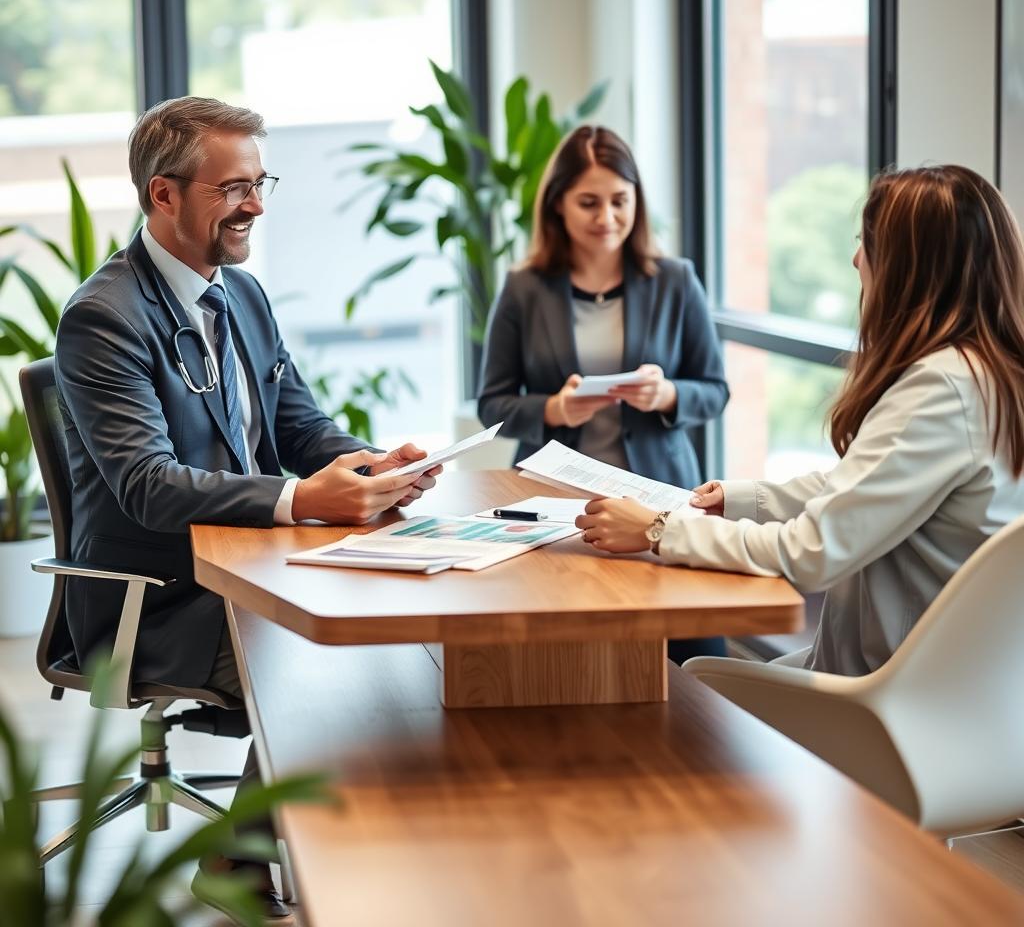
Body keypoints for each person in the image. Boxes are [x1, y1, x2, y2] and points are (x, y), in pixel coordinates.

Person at [54, 96, 441, 921]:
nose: (257, 205)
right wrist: (305, 499)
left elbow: (300, 425)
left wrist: (372, 465)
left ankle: (280, 853)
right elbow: (148, 484)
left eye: (261, 182)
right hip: (157, 597)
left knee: (394, 633)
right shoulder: (104, 317)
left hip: (246, 572)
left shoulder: (243, 297)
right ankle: (263, 862)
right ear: (163, 195)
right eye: (234, 188)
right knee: (339, 669)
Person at [576, 164, 1024, 677]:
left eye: (868, 243)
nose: (857, 260)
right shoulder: (989, 372)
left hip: (893, 691)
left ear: (909, 266)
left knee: (692, 685)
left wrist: (659, 529)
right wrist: (742, 499)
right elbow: (863, 487)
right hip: (948, 676)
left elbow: (810, 552)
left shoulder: (940, 388)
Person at [477, 125, 729, 663]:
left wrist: (666, 395)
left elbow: (714, 391)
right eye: (588, 202)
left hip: (657, 493)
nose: (606, 218)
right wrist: (554, 407)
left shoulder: (675, 280)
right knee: (559, 653)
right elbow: (492, 404)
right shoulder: (525, 287)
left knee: (686, 648)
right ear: (558, 206)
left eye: (620, 201)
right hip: (554, 500)